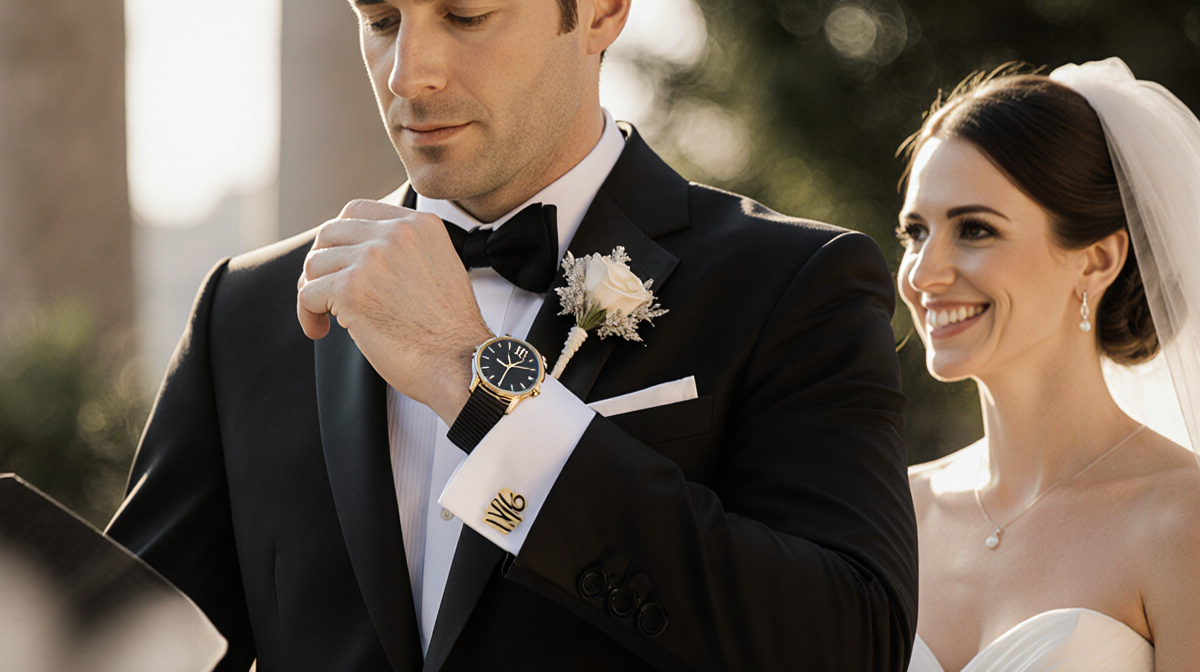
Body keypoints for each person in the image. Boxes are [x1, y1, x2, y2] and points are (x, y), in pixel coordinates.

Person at [106, 1, 918, 670]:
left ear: (601, 13)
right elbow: (127, 645)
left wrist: (473, 377)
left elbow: (851, 645)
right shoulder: (247, 311)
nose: (408, 74)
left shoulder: (793, 282)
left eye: (465, 15)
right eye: (381, 19)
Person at [899, 58, 1200, 672]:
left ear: (1096, 260)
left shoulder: (1182, 522)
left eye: (975, 230)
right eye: (915, 232)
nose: (924, 274)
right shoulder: (897, 510)